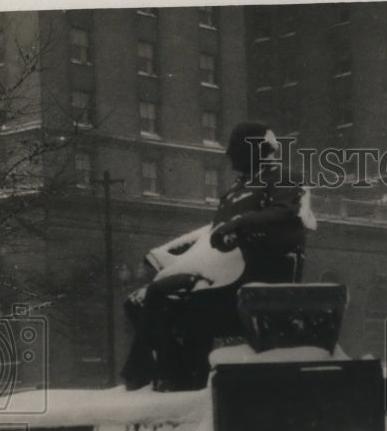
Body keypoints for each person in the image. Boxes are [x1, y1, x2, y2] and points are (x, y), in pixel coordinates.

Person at [121, 121, 309, 391]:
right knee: (136, 302)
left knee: (164, 296)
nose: (229, 153)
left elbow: (287, 214)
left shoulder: (283, 178)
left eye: (234, 147)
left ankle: (149, 375)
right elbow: (212, 233)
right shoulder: (235, 191)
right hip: (223, 273)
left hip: (258, 277)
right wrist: (164, 254)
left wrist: (241, 224)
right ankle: (174, 374)